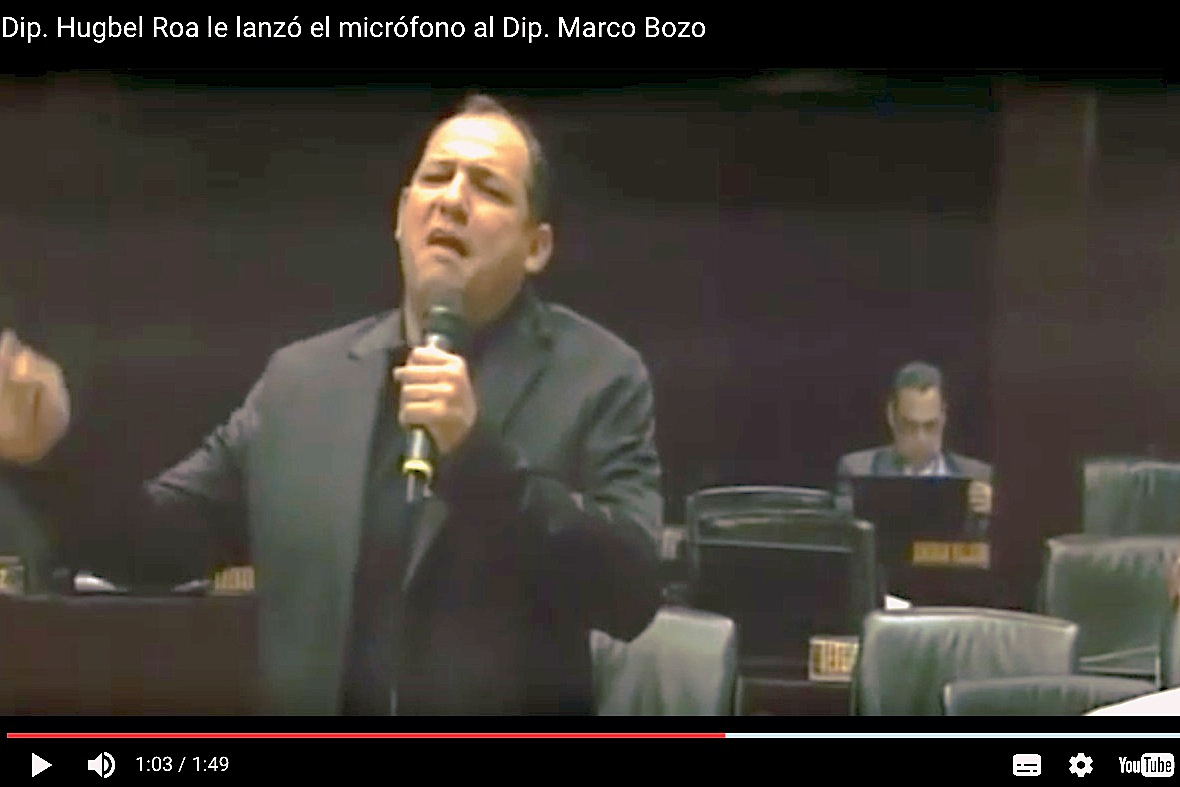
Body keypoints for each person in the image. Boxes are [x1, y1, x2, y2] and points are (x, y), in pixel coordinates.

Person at [76, 93, 665, 715]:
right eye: (436, 177)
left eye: (488, 188)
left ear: (536, 246)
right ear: (402, 216)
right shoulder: (301, 383)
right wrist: (48, 453)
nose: (452, 199)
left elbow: (629, 594)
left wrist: (478, 459)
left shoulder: (597, 376)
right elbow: (147, 544)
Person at [834, 360, 993, 536]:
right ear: (891, 416)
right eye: (909, 426)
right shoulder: (858, 471)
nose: (920, 438)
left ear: (944, 416)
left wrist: (998, 516)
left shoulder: (980, 477)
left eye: (930, 426)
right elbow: (844, 538)